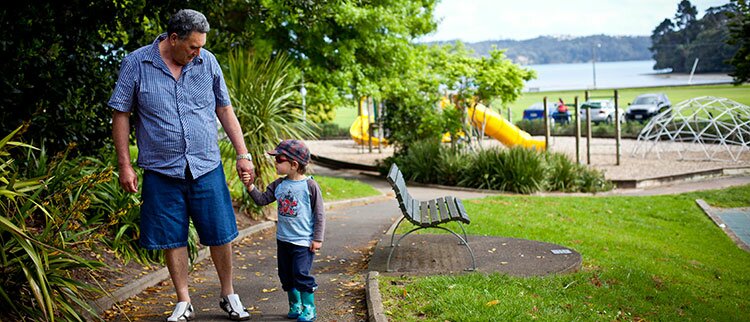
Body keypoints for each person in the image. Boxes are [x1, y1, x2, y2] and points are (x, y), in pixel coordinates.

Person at [109, 9, 253, 321]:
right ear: (173, 39)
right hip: (161, 169)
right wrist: (125, 164)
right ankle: (183, 300)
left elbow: (224, 109)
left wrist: (243, 154)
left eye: (201, 46)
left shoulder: (207, 61)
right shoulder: (136, 62)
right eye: (192, 47)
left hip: (206, 165)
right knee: (172, 236)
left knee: (221, 232)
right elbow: (121, 113)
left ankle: (228, 293)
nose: (198, 52)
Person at [242, 140, 325, 322]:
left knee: (300, 273)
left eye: (279, 159)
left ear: (294, 165)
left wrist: (317, 238)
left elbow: (319, 214)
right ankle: (295, 305)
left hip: (303, 241)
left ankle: (309, 308)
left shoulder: (310, 186)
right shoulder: (278, 185)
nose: (275, 163)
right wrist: (250, 187)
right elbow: (262, 200)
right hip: (283, 240)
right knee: (285, 275)